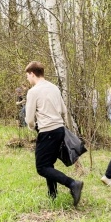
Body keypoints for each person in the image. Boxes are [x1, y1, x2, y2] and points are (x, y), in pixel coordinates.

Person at [24, 61, 84, 206]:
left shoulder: (33, 91)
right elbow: (63, 110)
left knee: (42, 167)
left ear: (32, 73)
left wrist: (32, 127)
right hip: (59, 130)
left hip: (47, 131)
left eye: (27, 76)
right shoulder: (54, 88)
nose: (27, 79)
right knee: (49, 164)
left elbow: (29, 119)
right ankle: (53, 195)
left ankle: (72, 184)